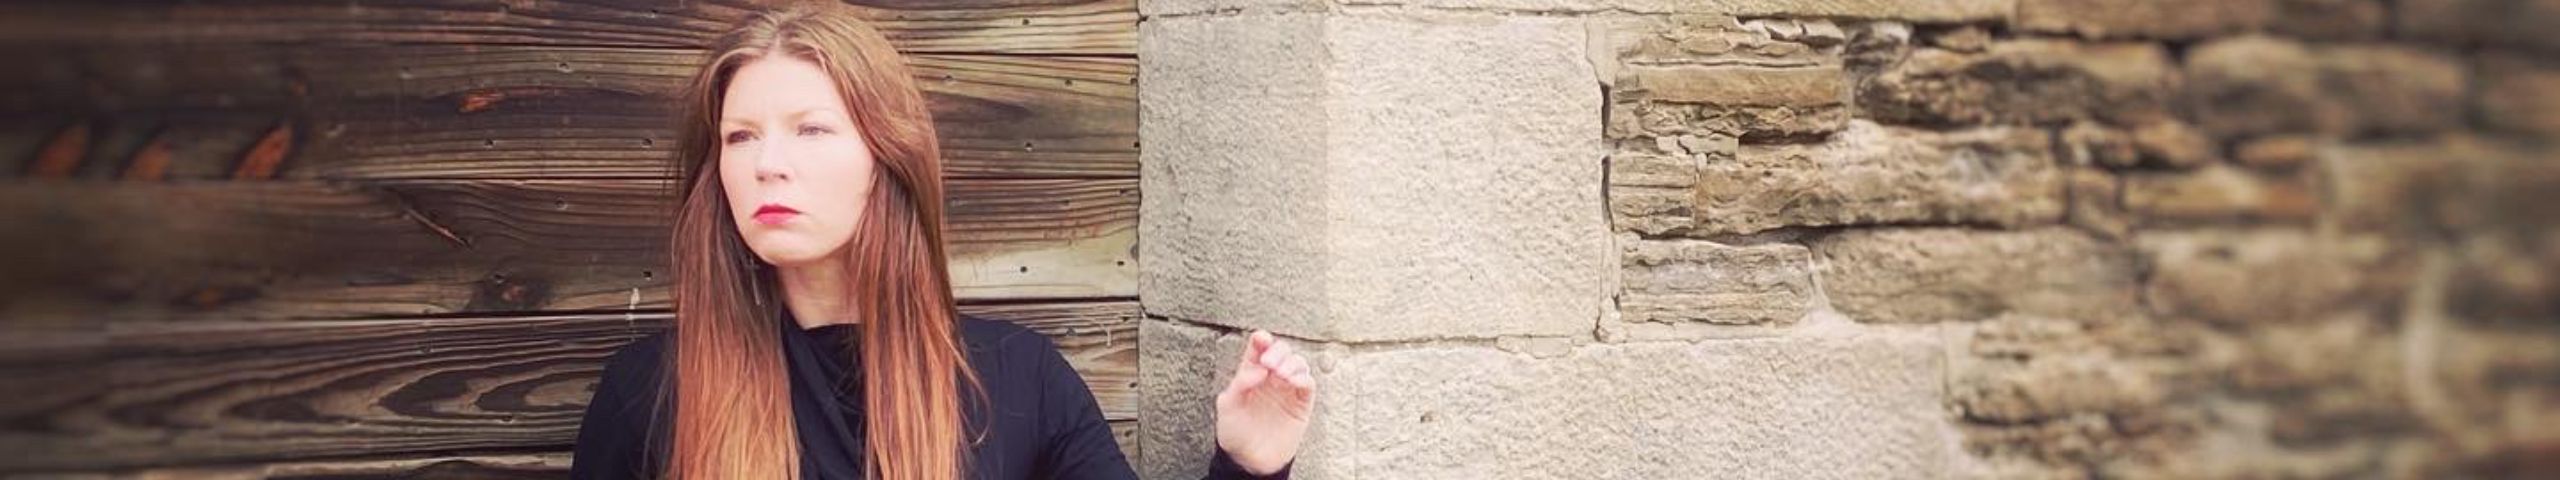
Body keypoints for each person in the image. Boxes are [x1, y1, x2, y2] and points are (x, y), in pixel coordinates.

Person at [567, 3, 1314, 478]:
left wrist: (1249, 466)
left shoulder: (1016, 380)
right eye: (740, 136)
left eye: (811, 129)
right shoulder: (649, 392)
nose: (768, 163)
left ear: (886, 159)